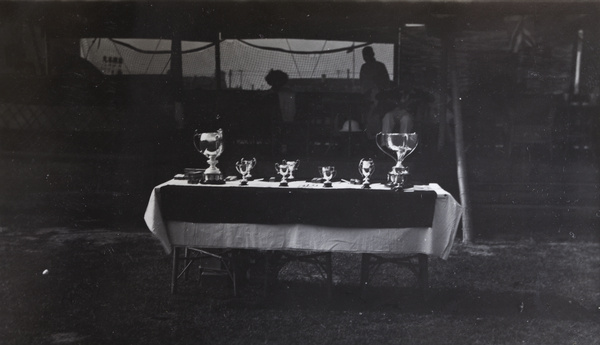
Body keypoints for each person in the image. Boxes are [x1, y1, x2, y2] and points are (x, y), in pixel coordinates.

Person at [359, 46, 393, 137]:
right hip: (366, 99)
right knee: (366, 119)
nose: (365, 57)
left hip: (379, 98)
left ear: (372, 54)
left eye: (367, 55)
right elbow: (361, 83)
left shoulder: (380, 66)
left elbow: (386, 83)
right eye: (364, 55)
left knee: (376, 117)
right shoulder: (364, 67)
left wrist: (378, 91)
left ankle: (376, 138)